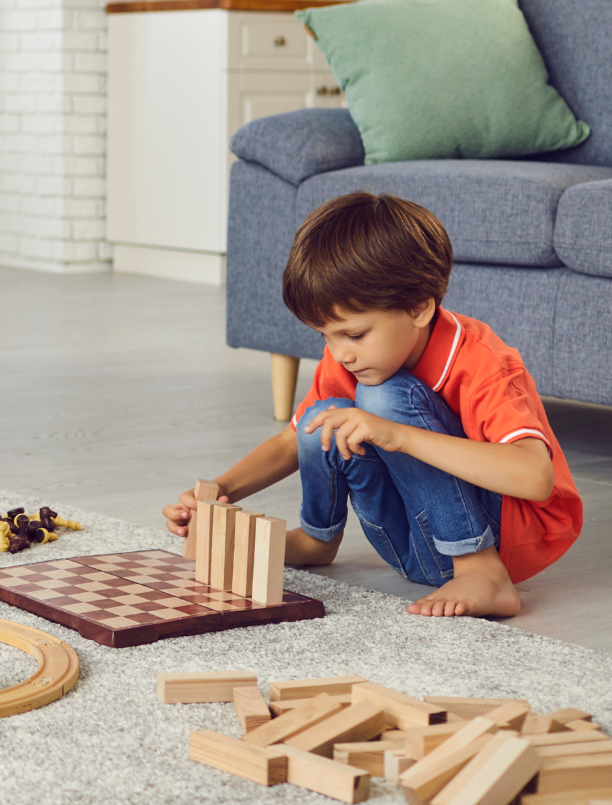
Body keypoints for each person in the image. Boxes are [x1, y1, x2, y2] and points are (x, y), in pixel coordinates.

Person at [162, 192, 582, 618]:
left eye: (355, 334)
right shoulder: (356, 358)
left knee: (383, 401)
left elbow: (535, 478)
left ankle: (480, 569)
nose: (340, 353)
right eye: (326, 335)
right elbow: (294, 439)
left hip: (501, 542)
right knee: (319, 417)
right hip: (413, 547)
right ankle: (317, 540)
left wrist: (397, 435)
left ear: (419, 308)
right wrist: (219, 493)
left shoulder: (482, 362)